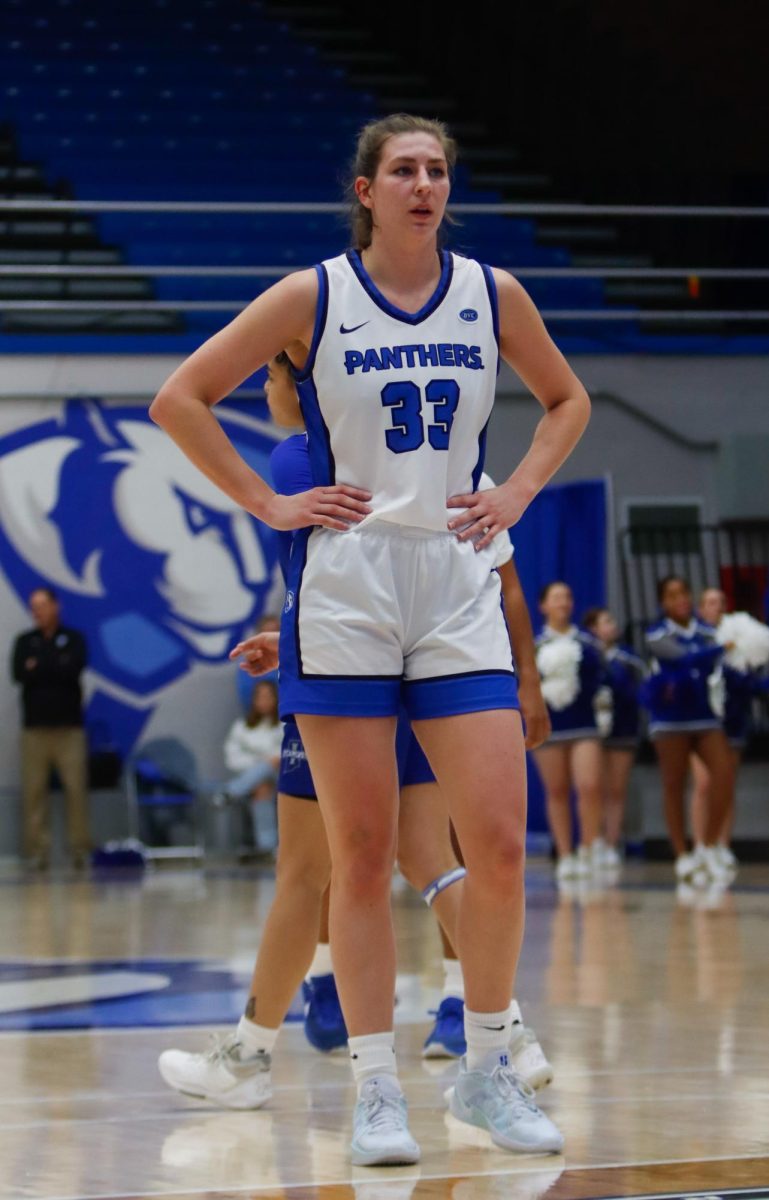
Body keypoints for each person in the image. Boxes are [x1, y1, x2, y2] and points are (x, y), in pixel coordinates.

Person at [150, 112, 590, 1164]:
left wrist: (518, 490)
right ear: (365, 189)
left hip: (453, 581)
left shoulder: (493, 293)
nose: (424, 184)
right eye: (403, 170)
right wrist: (268, 502)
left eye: (437, 170)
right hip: (347, 587)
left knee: (493, 848)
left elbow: (567, 399)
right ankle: (375, 1091)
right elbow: (182, 398)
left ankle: (485, 1070)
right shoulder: (315, 294)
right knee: (354, 859)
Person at [158, 354, 554, 1112]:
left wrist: (308, 636)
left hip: (353, 676)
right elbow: (427, 575)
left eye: (271, 379)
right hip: (425, 662)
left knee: (317, 872)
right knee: (424, 859)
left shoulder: (299, 452)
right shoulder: (426, 450)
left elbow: (365, 576)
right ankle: (496, 1029)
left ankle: (257, 1055)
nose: (267, 392)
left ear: (305, 385)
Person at [643, 576, 734, 887]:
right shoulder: (656, 634)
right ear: (662, 603)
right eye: (672, 595)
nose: (680, 599)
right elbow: (682, 659)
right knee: (674, 783)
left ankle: (707, 847)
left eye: (684, 592)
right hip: (670, 720)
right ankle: (682, 855)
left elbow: (723, 665)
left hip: (705, 716)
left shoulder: (707, 632)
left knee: (724, 775)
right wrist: (720, 648)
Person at [689, 587, 769, 871]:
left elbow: (751, 678)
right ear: (700, 609)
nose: (717, 607)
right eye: (710, 602)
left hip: (732, 722)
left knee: (725, 784)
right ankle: (700, 845)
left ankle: (722, 846)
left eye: (721, 602)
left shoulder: (742, 637)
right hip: (701, 722)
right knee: (704, 784)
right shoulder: (695, 639)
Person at [10, 587, 90, 871]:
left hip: (69, 729)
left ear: (56, 606)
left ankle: (79, 851)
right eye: (33, 606)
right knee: (34, 793)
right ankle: (37, 853)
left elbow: (73, 670)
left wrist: (40, 667)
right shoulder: (25, 641)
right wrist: (53, 664)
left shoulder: (74, 639)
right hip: (35, 730)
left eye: (43, 605)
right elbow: (19, 673)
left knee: (76, 791)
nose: (38, 611)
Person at [533, 583, 606, 882]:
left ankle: (589, 850)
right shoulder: (535, 646)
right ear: (543, 606)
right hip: (550, 726)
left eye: (567, 597)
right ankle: (564, 854)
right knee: (557, 790)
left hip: (584, 723)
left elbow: (601, 677)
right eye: (556, 598)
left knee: (588, 786)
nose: (562, 603)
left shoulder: (588, 644)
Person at [582, 607, 646, 868]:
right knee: (592, 787)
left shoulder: (628, 658)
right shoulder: (585, 655)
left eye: (612, 620)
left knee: (617, 790)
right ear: (593, 628)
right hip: (591, 729)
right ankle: (592, 841)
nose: (612, 625)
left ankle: (612, 843)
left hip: (622, 729)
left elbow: (641, 689)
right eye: (606, 621)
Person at [220, 678, 283, 857]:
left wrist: (269, 761)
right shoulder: (241, 727)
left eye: (268, 696)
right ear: (254, 700)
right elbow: (232, 758)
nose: (264, 701)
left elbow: (284, 754)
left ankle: (231, 792)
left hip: (282, 777)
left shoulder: (285, 724)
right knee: (262, 787)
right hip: (253, 778)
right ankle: (268, 847)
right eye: (260, 697)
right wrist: (260, 762)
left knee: (271, 764)